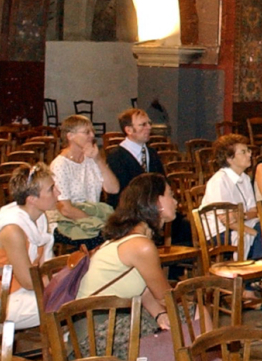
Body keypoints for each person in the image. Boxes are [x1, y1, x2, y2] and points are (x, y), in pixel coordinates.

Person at [78, 173, 178, 347]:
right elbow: (165, 297)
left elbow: (143, 289)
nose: (176, 202)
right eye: (170, 195)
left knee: (188, 315)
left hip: (97, 323)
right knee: (190, 316)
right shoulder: (141, 245)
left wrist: (159, 315)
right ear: (156, 202)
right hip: (96, 332)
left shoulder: (126, 238)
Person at [0, 163, 56, 329]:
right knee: (70, 301)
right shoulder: (12, 229)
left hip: (24, 293)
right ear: (32, 199)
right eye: (51, 189)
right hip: (1, 302)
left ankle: (67, 342)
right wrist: (62, 281)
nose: (58, 193)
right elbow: (29, 282)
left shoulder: (39, 218)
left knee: (79, 292)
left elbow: (43, 269)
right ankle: (64, 345)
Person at [50, 115, 120, 248]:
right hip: (67, 221)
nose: (92, 135)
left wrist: (99, 160)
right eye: (87, 132)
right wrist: (96, 223)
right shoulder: (60, 165)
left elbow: (113, 189)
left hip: (90, 216)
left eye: (92, 131)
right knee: (107, 239)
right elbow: (65, 209)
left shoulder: (91, 159)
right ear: (70, 136)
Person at [201, 133, 262, 260]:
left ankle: (257, 271)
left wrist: (241, 215)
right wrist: (251, 230)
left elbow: (254, 211)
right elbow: (227, 220)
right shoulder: (219, 181)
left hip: (239, 223)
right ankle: (250, 274)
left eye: (248, 150)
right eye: (243, 152)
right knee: (260, 234)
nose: (249, 154)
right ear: (229, 158)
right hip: (218, 231)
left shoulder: (245, 178)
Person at [105, 109, 163, 208]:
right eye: (143, 124)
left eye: (149, 123)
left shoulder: (152, 153)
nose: (149, 127)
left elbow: (162, 183)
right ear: (129, 130)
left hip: (152, 210)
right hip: (127, 212)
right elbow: (121, 194)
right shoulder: (116, 156)